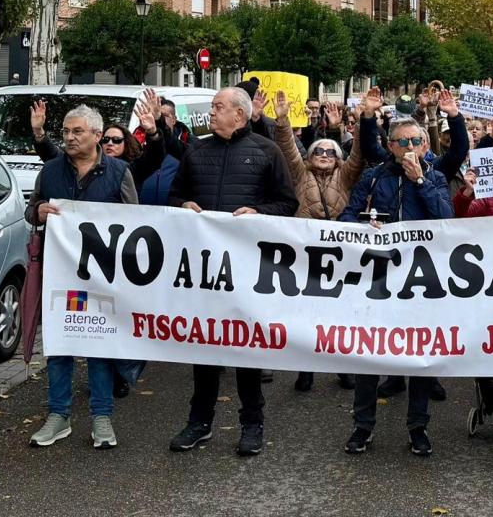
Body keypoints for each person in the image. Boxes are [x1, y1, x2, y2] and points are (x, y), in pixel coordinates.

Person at [167, 87, 299, 457]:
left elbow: (288, 203)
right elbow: (173, 198)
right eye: (213, 107)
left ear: (239, 115)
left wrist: (260, 213)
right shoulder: (196, 150)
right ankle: (199, 422)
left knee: (246, 351)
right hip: (204, 270)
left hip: (246, 271)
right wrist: (184, 205)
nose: (212, 112)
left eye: (218, 107)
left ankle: (252, 424)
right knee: (203, 348)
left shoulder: (266, 152)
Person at [338, 87, 459, 457]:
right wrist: (362, 226)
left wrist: (420, 180)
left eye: (415, 141)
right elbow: (347, 216)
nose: (408, 147)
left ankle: (418, 427)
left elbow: (445, 219)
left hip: (421, 281)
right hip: (378, 278)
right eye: (400, 142)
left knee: (419, 357)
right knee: (368, 355)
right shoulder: (373, 177)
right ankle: (363, 426)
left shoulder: (436, 176)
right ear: (389, 146)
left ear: (425, 145)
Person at [26, 105, 139, 449]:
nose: (70, 138)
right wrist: (39, 212)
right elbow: (32, 208)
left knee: (98, 345)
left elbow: (135, 223)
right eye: (65, 132)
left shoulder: (119, 172)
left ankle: (101, 417)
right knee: (59, 344)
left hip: (101, 278)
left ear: (96, 135)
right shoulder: (50, 171)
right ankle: (58, 415)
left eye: (77, 132)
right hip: (60, 276)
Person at [271, 93, 362, 392]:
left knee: (342, 315)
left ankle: (344, 367)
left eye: (330, 151)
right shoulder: (299, 174)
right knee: (306, 315)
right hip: (305, 255)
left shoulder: (346, 177)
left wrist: (355, 127)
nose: (324, 154)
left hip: (341, 255)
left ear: (338, 158)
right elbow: (287, 148)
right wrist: (282, 121)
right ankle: (306, 369)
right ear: (309, 157)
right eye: (318, 151)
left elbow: (359, 155)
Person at [30, 96, 166, 194]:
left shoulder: (127, 170)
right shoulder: (67, 162)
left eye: (117, 140)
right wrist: (38, 131)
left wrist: (153, 131)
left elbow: (155, 157)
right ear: (99, 139)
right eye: (106, 140)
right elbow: (51, 154)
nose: (110, 143)